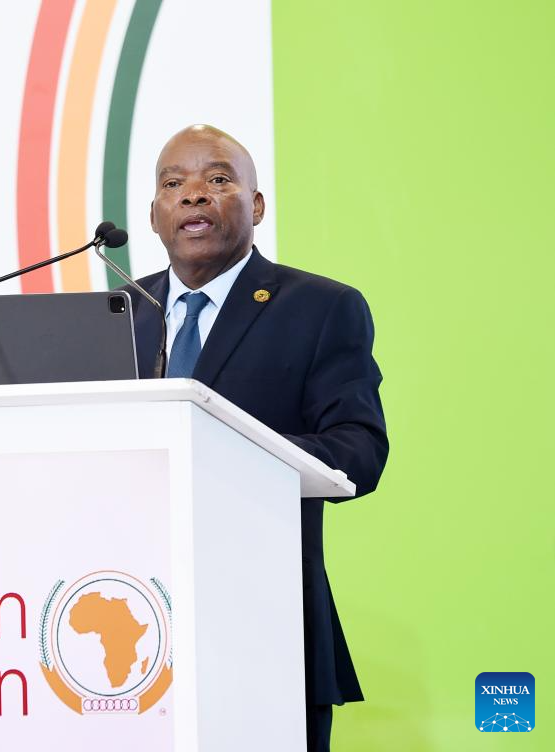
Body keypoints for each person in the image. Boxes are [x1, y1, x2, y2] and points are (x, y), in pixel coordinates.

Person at [123, 125, 388, 751]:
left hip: (268, 626)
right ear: (155, 216)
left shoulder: (320, 307)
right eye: (173, 184)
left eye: (218, 179)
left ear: (258, 205)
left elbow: (358, 450)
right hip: (133, 626)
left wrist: (231, 453)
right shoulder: (117, 313)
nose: (194, 194)